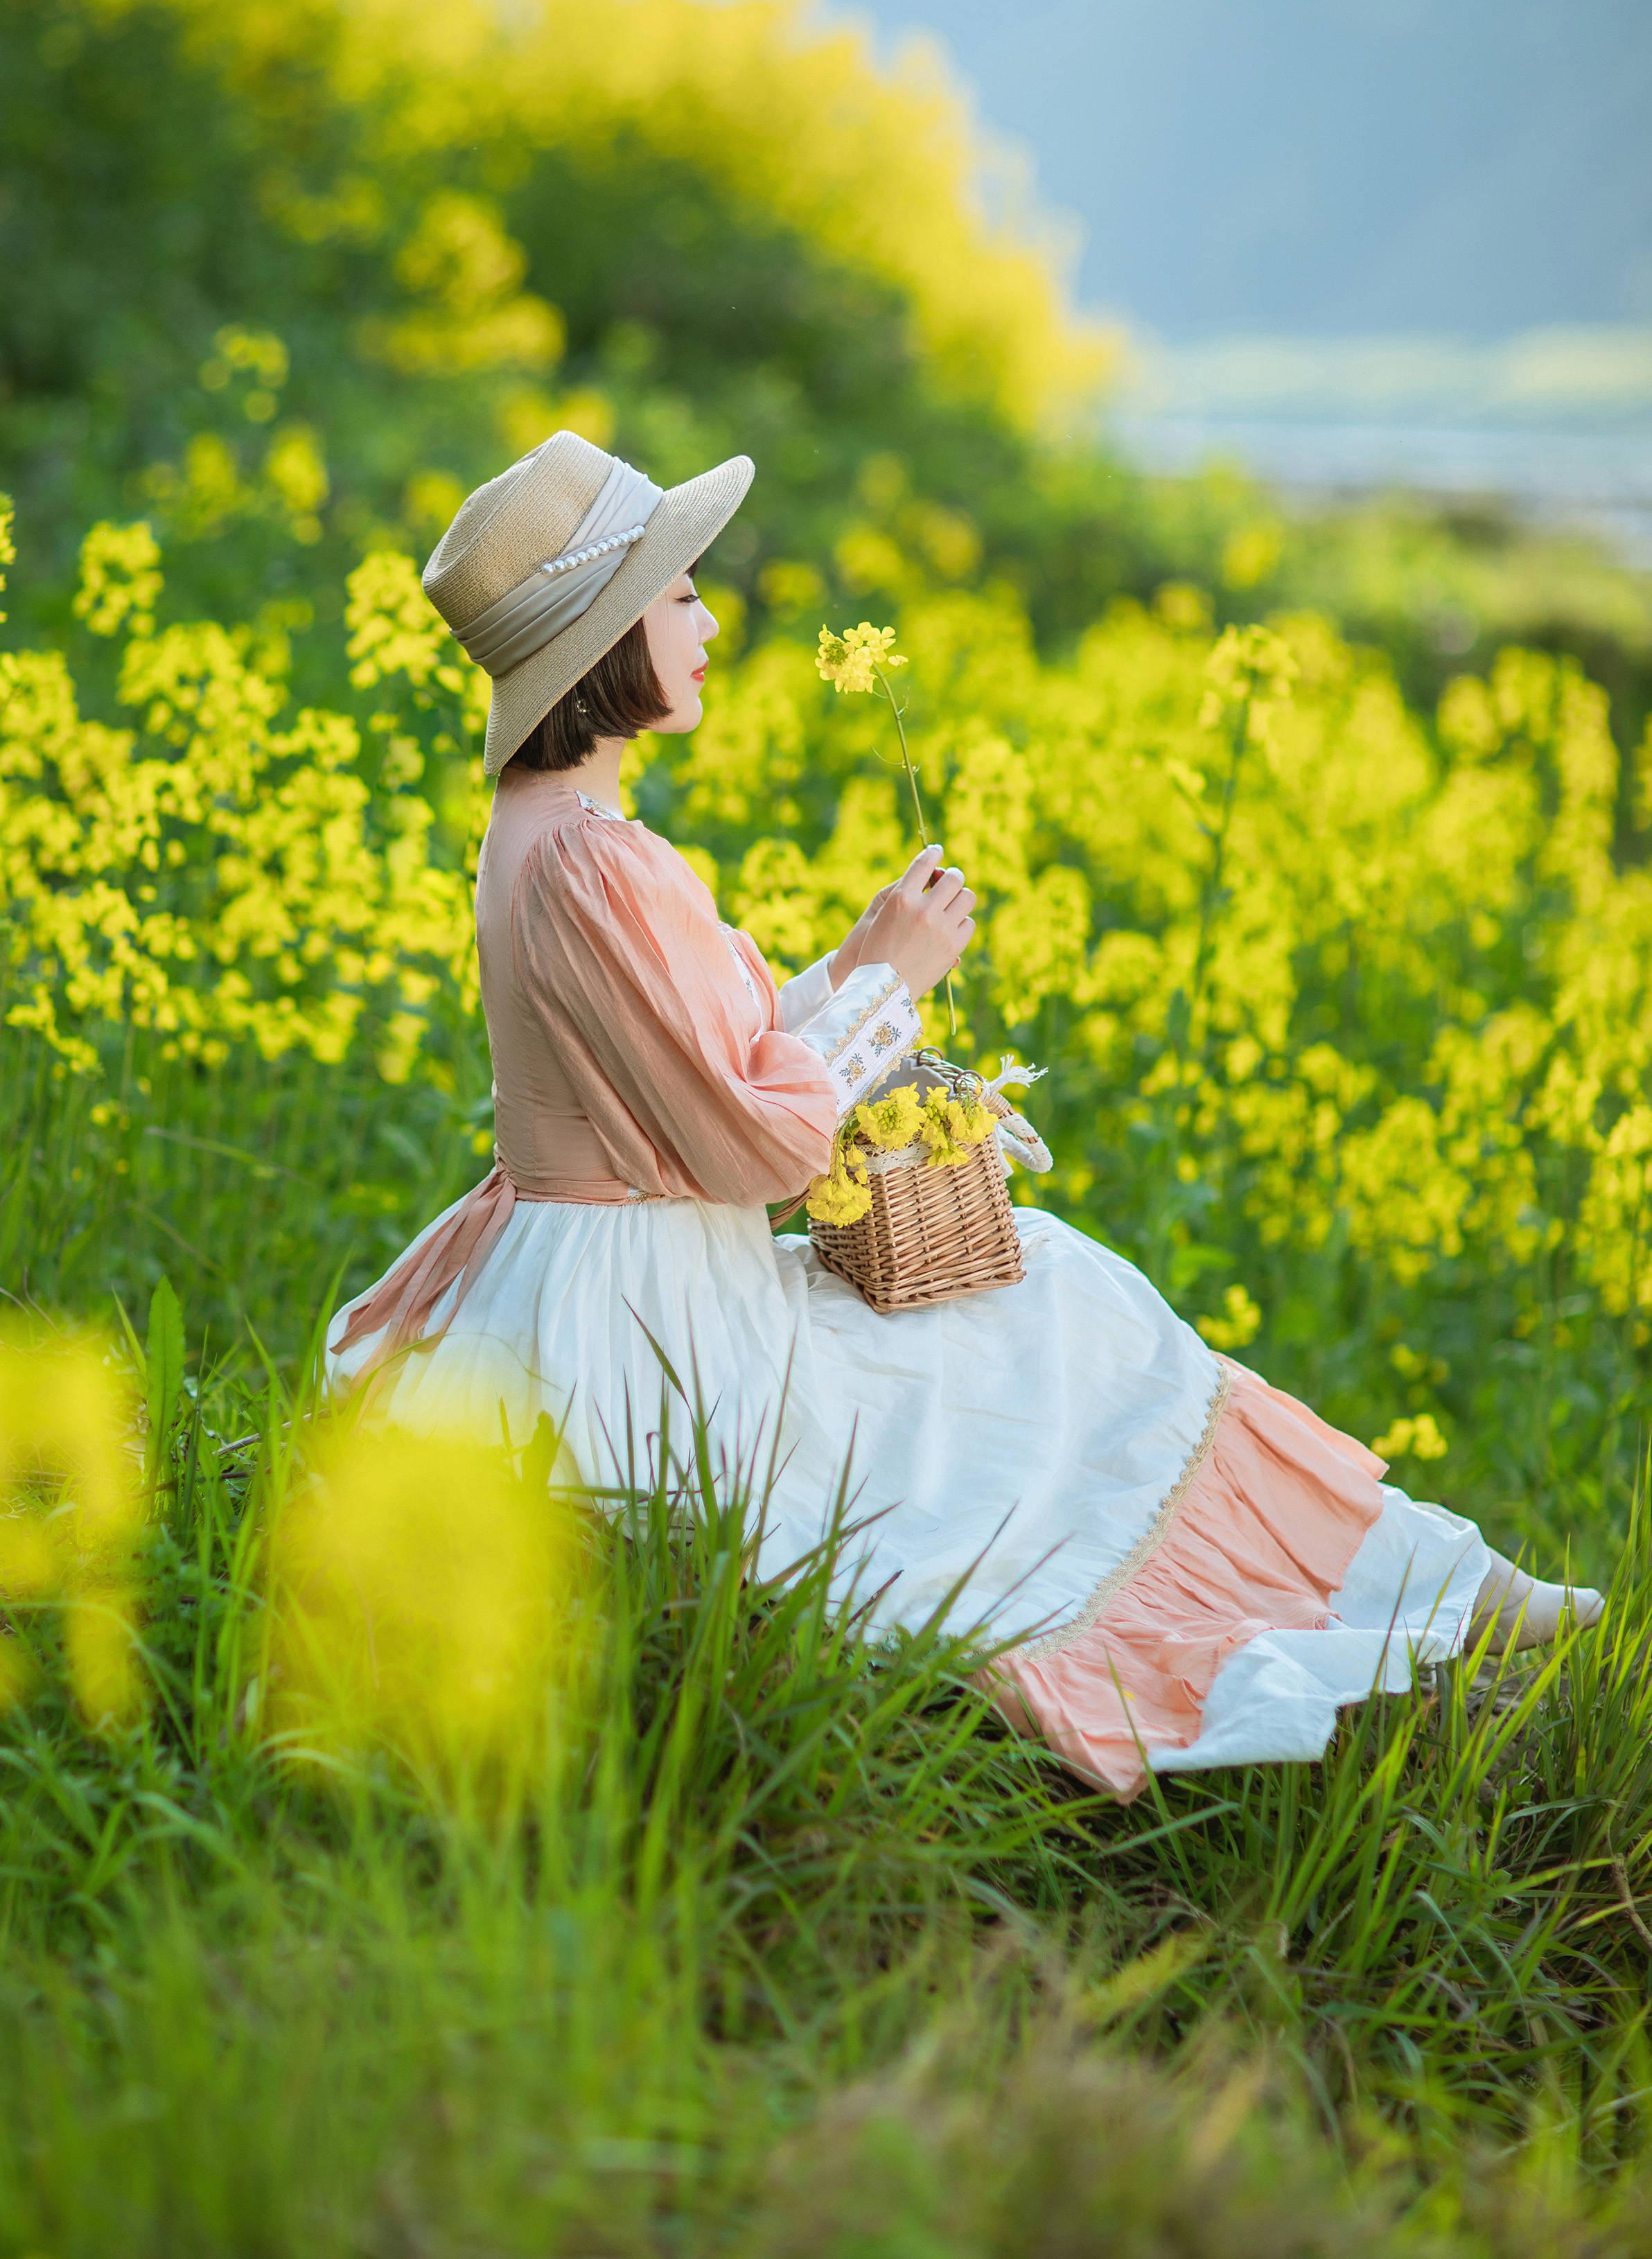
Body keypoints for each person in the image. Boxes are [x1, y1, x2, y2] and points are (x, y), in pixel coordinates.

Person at [326, 431, 1603, 1802]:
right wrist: (893, 989)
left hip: (603, 1279)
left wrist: (860, 964)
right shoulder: (592, 861)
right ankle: (1441, 1583)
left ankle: (1446, 1573)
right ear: (601, 638)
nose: (707, 621)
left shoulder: (544, 833)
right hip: (658, 1330)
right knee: (1071, 1314)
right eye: (681, 592)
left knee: (1045, 1311)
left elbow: (696, 1065)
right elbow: (752, 1147)